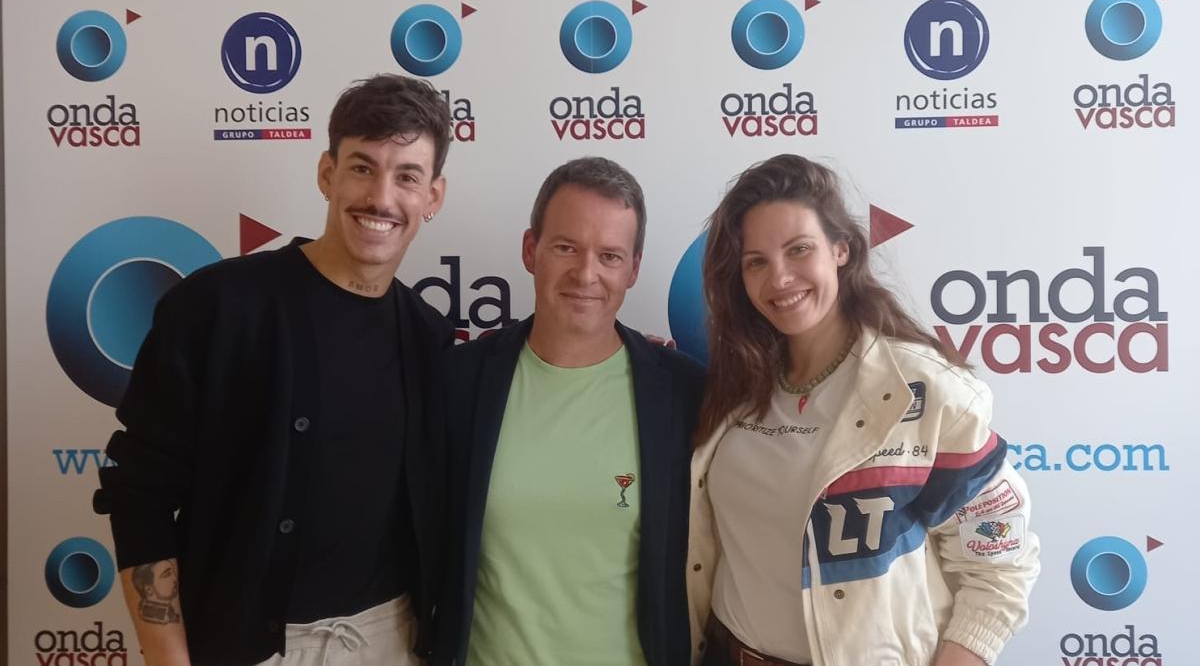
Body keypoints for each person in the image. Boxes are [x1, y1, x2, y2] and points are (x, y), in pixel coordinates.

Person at [93, 74, 454, 666]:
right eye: (363, 167)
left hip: (392, 638)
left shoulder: (430, 338)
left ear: (433, 197)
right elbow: (139, 493)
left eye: (407, 176)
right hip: (245, 644)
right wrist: (166, 654)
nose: (382, 198)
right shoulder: (218, 307)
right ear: (326, 173)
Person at [686, 154, 1039, 666]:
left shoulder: (926, 389)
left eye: (798, 249)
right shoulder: (734, 382)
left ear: (841, 250)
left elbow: (999, 566)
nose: (779, 277)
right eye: (756, 261)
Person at [437, 157, 705, 666]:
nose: (586, 273)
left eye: (609, 255)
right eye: (566, 247)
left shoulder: (683, 394)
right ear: (530, 250)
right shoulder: (460, 381)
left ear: (633, 269)